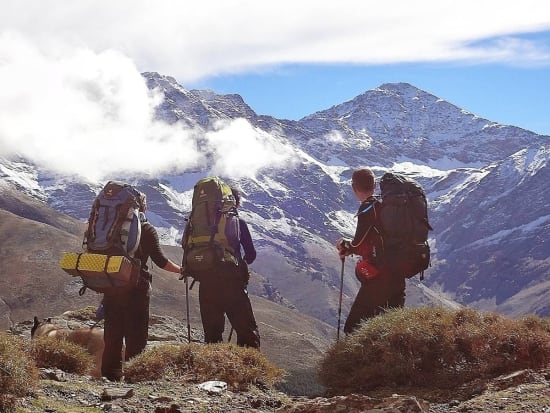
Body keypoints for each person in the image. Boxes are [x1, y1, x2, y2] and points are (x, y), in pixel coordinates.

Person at [101, 192, 182, 381]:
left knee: (112, 333)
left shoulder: (109, 228)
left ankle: (109, 376)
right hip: (136, 289)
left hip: (112, 285)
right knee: (136, 335)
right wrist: (181, 270)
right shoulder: (145, 229)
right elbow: (161, 261)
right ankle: (133, 375)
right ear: (141, 207)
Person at [336, 168, 406, 334]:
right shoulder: (388, 207)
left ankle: (358, 360)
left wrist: (345, 246)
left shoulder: (368, 209)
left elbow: (358, 243)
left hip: (379, 279)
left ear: (354, 188)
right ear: (375, 185)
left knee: (353, 328)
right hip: (399, 275)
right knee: (393, 329)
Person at [196, 187, 260, 348]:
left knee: (212, 337)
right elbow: (251, 254)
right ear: (235, 204)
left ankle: (214, 371)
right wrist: (241, 263)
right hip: (233, 285)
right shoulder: (238, 223)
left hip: (206, 286)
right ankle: (246, 370)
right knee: (247, 334)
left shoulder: (198, 224)